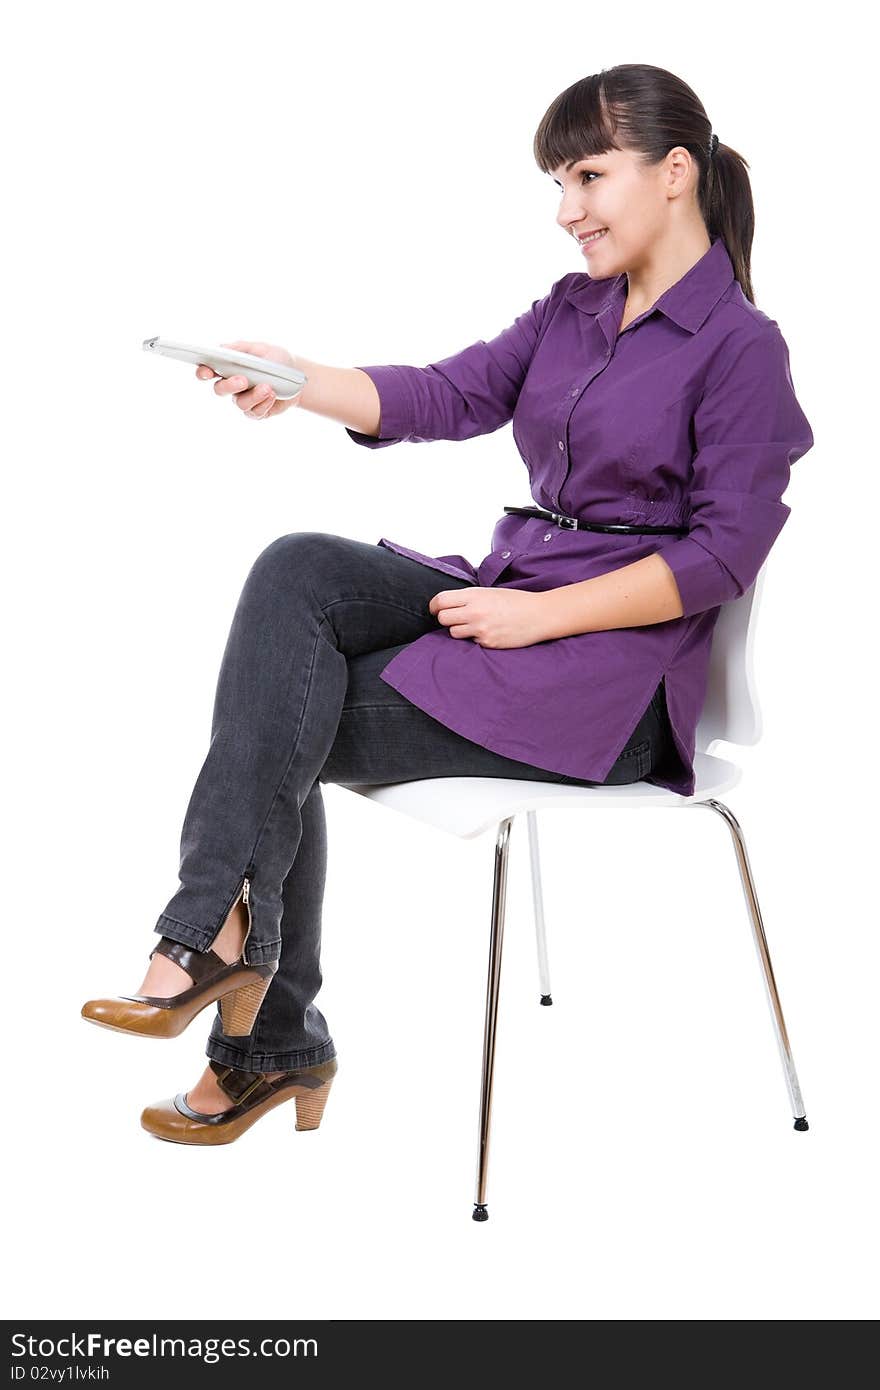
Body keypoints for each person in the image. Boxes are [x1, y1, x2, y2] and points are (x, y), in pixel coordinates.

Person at [81, 63, 814, 1145]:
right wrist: (294, 378)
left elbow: (723, 555)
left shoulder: (742, 348)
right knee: (299, 571)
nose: (565, 211)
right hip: (509, 601)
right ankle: (236, 971)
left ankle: (245, 1001)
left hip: (607, 687)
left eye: (586, 176)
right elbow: (446, 391)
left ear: (674, 173)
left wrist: (540, 619)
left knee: (292, 709)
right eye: (557, 182)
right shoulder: (574, 310)